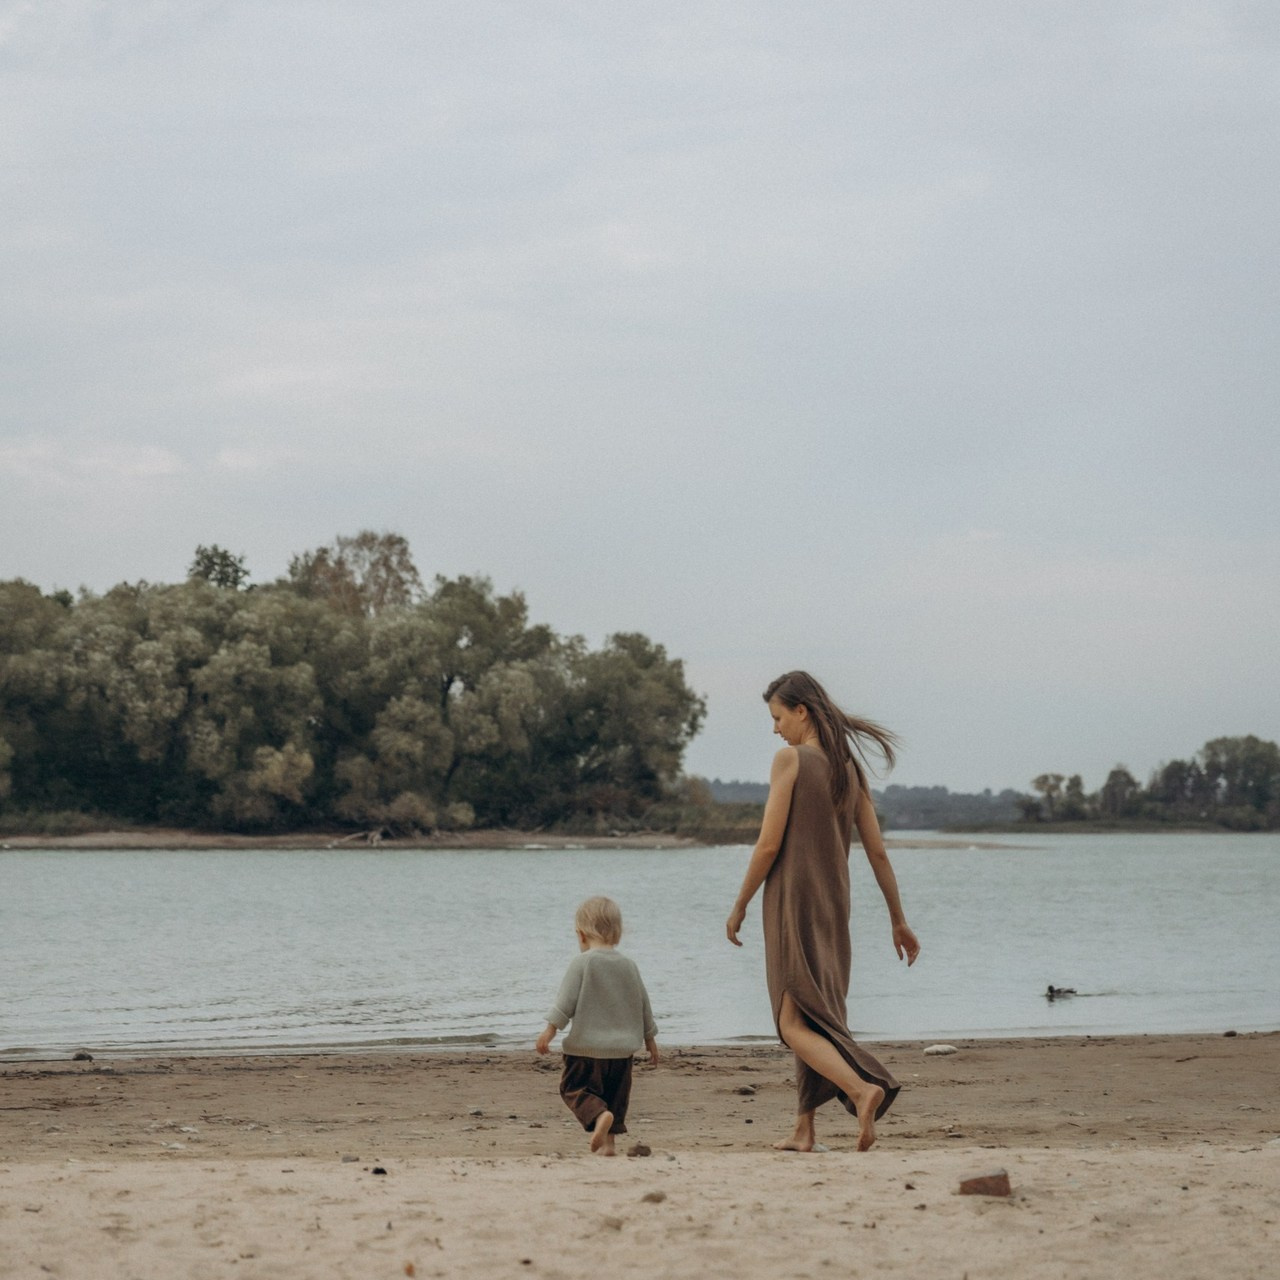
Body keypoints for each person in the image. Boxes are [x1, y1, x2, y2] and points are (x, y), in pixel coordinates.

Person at [726, 671, 920, 1153]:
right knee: (813, 1017)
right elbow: (878, 853)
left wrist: (740, 904)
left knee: (791, 1023)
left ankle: (862, 1088)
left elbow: (769, 844)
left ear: (801, 711)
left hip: (794, 899)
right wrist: (898, 918)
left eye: (777, 717)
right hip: (835, 905)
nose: (775, 729)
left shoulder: (790, 760)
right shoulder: (848, 771)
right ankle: (804, 1129)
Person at [536, 896, 660, 1156]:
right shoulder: (629, 965)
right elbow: (643, 1004)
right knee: (615, 1097)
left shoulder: (582, 963)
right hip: (622, 1054)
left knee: (574, 1090)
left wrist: (550, 1030)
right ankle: (609, 1145)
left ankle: (600, 1118)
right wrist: (650, 1039)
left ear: (581, 935)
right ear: (619, 933)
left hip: (585, 1051)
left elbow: (565, 1003)